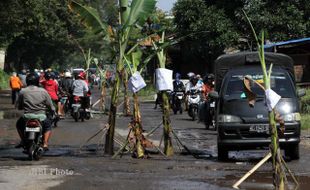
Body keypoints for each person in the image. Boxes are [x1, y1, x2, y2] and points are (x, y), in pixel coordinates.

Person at [15, 73, 55, 150]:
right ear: (37, 81)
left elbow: (19, 104)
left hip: (27, 117)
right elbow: (50, 104)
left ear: (27, 81)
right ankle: (45, 143)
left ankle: (23, 140)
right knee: (48, 127)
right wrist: (52, 110)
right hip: (41, 117)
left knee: (18, 125)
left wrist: (21, 107)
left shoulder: (22, 91)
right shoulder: (43, 91)